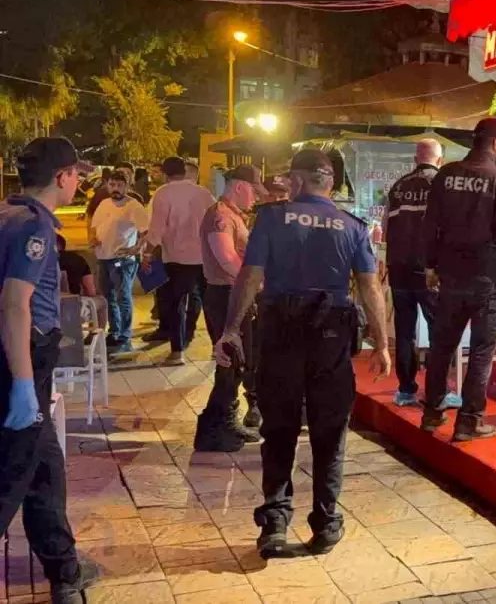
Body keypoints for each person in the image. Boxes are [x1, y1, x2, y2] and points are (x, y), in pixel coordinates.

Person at [214, 149, 390, 558]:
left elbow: (250, 276)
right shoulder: (353, 226)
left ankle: (274, 525)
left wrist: (231, 329)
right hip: (331, 337)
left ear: (297, 180)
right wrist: (381, 343)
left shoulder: (272, 219)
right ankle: (326, 524)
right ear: (330, 183)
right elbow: (370, 288)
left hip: (281, 333)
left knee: (279, 429)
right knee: (330, 431)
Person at [0, 137, 98, 603]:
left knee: (44, 469)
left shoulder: (6, 215)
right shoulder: (34, 226)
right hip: (22, 357)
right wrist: (23, 382)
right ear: (62, 177)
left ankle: (64, 570)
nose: (78, 182)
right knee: (11, 474)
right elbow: (14, 304)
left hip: (18, 356)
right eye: (76, 174)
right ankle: (65, 572)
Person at [421, 118, 496, 441]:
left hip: (450, 274)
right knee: (481, 349)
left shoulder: (446, 174)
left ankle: (432, 413)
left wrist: (430, 265)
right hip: (488, 277)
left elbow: (430, 224)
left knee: (442, 346)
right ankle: (469, 421)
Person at [384, 139, 460, 409]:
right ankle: (439, 392)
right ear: (440, 160)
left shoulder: (398, 186)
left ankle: (405, 390)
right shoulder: (443, 184)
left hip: (398, 267)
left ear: (416, 160)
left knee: (404, 331)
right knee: (440, 330)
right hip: (430, 270)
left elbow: (385, 228)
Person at [194, 165, 266, 452]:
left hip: (235, 295)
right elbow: (226, 258)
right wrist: (256, 285)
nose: (255, 198)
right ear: (239, 186)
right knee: (230, 362)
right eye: (253, 191)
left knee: (237, 364)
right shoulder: (220, 216)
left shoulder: (233, 215)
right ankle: (215, 426)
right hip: (226, 296)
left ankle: (224, 421)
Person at [143, 156, 215, 365]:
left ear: (165, 174)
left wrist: (147, 253)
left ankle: (177, 352)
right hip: (205, 258)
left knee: (176, 305)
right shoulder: (203, 193)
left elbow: (157, 229)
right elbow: (215, 220)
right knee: (210, 305)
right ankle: (216, 348)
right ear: (184, 171)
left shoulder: (163, 193)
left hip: (176, 258)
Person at [91, 170, 150, 354]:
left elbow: (146, 231)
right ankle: (114, 332)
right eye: (112, 185)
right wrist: (93, 239)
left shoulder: (133, 206)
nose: (115, 188)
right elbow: (95, 226)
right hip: (103, 258)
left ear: (127, 186)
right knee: (108, 297)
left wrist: (136, 249)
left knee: (122, 297)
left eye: (119, 185)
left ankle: (125, 335)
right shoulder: (104, 204)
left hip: (122, 261)